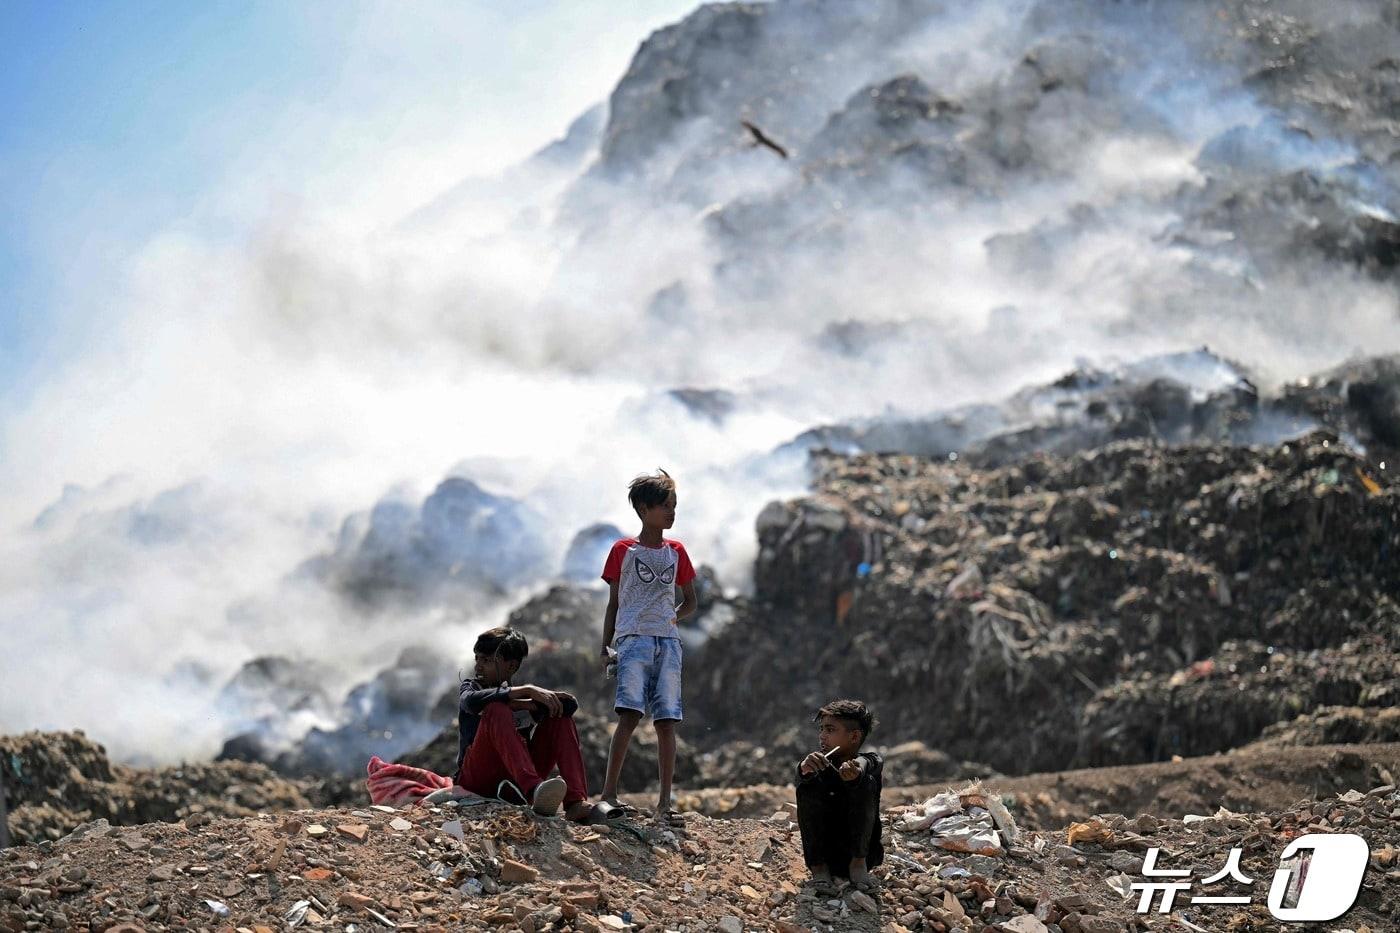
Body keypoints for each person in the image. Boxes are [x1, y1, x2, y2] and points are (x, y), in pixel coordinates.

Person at [598, 469, 698, 823]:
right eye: (665, 506)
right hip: (632, 640)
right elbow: (614, 603)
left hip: (668, 643)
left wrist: (671, 619)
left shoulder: (677, 551)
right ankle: (608, 794)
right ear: (643, 508)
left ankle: (665, 803)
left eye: (674, 505)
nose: (672, 513)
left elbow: (690, 601)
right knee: (629, 715)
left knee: (667, 722)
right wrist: (605, 645)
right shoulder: (623, 550)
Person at [455, 626, 593, 820]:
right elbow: (469, 702)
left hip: (514, 780)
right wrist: (526, 691)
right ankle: (535, 790)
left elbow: (569, 706)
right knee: (496, 709)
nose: (478, 667)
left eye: (486, 661)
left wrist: (541, 703)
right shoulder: (472, 688)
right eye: (477, 658)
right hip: (477, 779)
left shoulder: (525, 700)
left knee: (560, 718)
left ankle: (575, 801)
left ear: (511, 667)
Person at [796, 699, 885, 892]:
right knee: (807, 785)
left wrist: (855, 773)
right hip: (826, 855)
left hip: (862, 854)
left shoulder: (871, 761)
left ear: (854, 737)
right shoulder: (819, 765)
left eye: (830, 730)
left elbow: (864, 764)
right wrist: (804, 768)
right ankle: (818, 869)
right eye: (821, 729)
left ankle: (858, 865)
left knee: (866, 784)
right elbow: (802, 774)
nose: (822, 736)